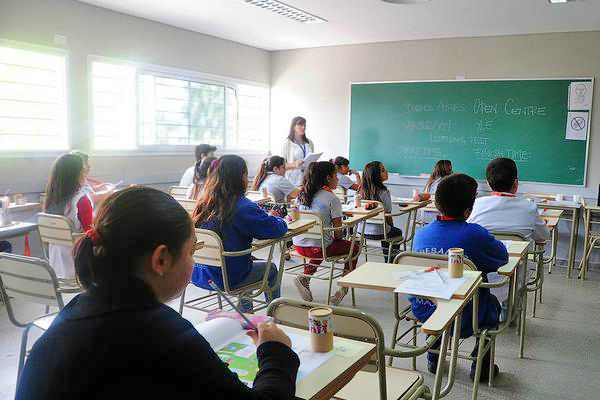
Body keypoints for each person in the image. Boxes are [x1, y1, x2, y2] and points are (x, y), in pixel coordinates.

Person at [17, 186, 299, 399]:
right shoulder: (160, 332)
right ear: (161, 259)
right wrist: (275, 352)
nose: (193, 261)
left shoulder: (79, 309)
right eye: (191, 251)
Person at [411, 173, 508, 381]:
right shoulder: (474, 234)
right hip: (466, 316)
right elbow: (502, 258)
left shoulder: (421, 234)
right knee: (492, 304)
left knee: (440, 295)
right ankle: (481, 367)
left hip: (425, 309)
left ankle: (434, 357)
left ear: (437, 203)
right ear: (468, 210)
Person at [191, 155, 288, 312]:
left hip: (199, 273)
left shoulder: (204, 202)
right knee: (270, 268)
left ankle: (246, 311)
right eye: (246, 174)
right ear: (241, 176)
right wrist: (276, 218)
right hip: (227, 278)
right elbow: (277, 230)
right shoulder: (243, 206)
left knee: (247, 260)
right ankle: (276, 313)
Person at [467, 157, 550, 313]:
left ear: (488, 183)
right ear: (516, 183)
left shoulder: (476, 205)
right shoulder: (529, 207)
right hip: (515, 275)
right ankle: (509, 314)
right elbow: (543, 236)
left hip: (479, 275)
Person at [292, 161, 360, 305]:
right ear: (328, 178)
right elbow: (338, 234)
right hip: (319, 248)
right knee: (354, 247)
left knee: (322, 242)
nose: (337, 178)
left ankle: (305, 277)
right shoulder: (332, 198)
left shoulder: (301, 194)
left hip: (298, 245)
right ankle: (343, 289)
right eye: (336, 175)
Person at [43, 153, 93, 279]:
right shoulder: (82, 200)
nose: (85, 174)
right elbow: (91, 235)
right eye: (83, 170)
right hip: (77, 267)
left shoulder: (51, 201)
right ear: (76, 174)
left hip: (56, 266)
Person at [359, 161, 402, 262]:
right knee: (395, 232)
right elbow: (388, 215)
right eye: (382, 170)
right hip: (379, 232)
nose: (386, 171)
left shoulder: (361, 191)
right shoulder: (384, 192)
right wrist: (390, 228)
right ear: (376, 175)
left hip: (361, 231)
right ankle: (390, 261)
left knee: (386, 230)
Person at [281, 116, 315, 187]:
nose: (303, 127)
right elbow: (281, 166)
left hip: (307, 179)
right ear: (293, 127)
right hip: (293, 180)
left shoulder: (310, 142)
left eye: (304, 125)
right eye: (300, 125)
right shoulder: (287, 143)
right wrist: (294, 164)